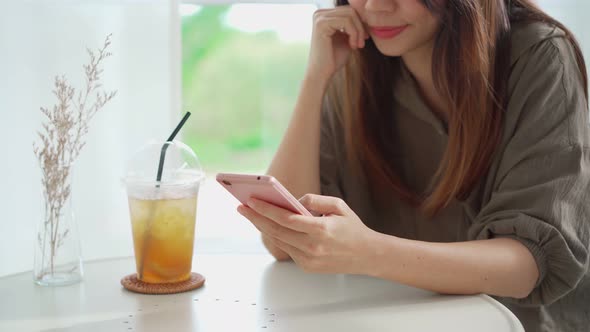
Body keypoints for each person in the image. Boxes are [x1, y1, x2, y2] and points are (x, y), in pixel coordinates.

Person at [236, 1, 590, 331]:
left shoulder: (539, 56)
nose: (375, 6)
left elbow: (526, 265)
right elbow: (284, 244)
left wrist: (368, 252)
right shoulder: (358, 63)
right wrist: (316, 78)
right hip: (395, 321)